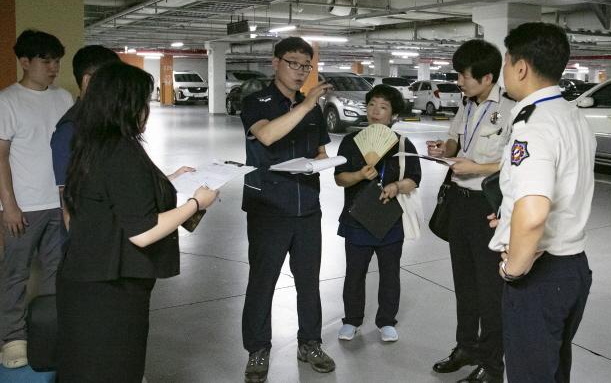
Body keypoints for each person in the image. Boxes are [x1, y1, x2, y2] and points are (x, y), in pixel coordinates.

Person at [56, 61, 218, 382]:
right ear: (126, 105)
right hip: (110, 291)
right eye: (143, 102)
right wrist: (196, 202)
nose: (147, 110)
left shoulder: (92, 143)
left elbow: (112, 199)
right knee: (115, 370)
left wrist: (168, 180)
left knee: (85, 368)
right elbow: (143, 232)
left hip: (85, 279)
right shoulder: (121, 152)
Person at [488, 22, 595, 383]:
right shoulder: (574, 116)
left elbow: (533, 215)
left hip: (540, 275)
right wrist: (506, 221)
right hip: (574, 266)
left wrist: (512, 270)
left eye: (506, 63)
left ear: (521, 67)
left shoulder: (533, 124)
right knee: (552, 370)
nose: (505, 72)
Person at [240, 37, 335, 383]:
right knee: (262, 281)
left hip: (307, 205)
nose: (300, 71)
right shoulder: (255, 101)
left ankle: (309, 342)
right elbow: (266, 136)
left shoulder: (313, 110)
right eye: (293, 63)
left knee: (309, 280)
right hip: (269, 206)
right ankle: (257, 349)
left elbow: (322, 153)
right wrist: (306, 105)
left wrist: (323, 163)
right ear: (275, 62)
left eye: (305, 65)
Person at [427, 39, 514, 383]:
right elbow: (456, 141)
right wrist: (444, 148)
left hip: (487, 207)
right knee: (464, 284)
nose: (459, 81)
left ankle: (492, 365)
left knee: (490, 290)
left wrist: (476, 169)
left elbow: (512, 163)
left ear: (487, 76)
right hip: (459, 204)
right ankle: (466, 347)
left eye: (463, 75)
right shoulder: (467, 105)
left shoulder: (510, 110)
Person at [0, 29, 73, 369]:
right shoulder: (7, 100)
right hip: (23, 206)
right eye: (46, 61)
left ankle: (51, 333)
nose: (53, 67)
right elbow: (1, 157)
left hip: (58, 203)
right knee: (15, 274)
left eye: (57, 61)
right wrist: (9, 205)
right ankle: (13, 338)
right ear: (25, 62)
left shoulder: (63, 99)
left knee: (56, 273)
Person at [334, 84, 421, 343]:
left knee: (390, 273)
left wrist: (396, 186)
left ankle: (386, 321)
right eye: (372, 104)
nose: (375, 111)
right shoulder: (351, 142)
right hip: (357, 217)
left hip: (390, 219)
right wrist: (359, 175)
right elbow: (339, 179)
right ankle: (351, 320)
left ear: (393, 114)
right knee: (354, 273)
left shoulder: (403, 144)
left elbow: (414, 179)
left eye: (383, 107)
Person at [51, 45, 120, 228]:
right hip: (92, 239)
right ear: (88, 81)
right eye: (111, 79)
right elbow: (68, 201)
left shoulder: (109, 122)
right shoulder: (70, 130)